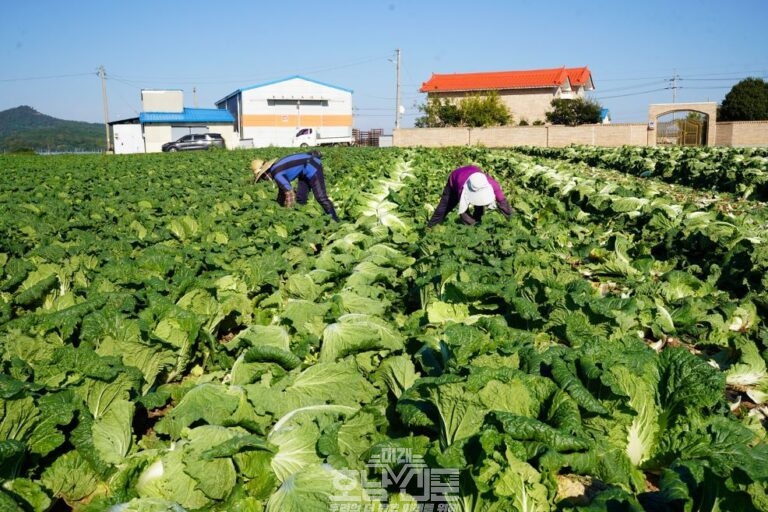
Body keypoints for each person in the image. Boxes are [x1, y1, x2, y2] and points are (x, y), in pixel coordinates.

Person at [251, 151, 339, 221]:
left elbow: (290, 194)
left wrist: (288, 213)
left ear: (265, 172)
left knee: (321, 197)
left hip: (312, 165)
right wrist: (278, 207)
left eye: (262, 176)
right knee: (301, 199)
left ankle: (335, 221)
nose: (264, 179)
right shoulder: (275, 169)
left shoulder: (277, 173)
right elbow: (282, 191)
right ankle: (303, 220)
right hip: (304, 170)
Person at [427, 164, 512, 227]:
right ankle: (430, 228)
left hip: (473, 172)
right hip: (455, 179)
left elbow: (503, 202)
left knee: (479, 205)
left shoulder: (492, 184)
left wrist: (510, 219)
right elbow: (464, 212)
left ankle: (479, 220)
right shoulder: (462, 188)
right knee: (444, 207)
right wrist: (474, 228)